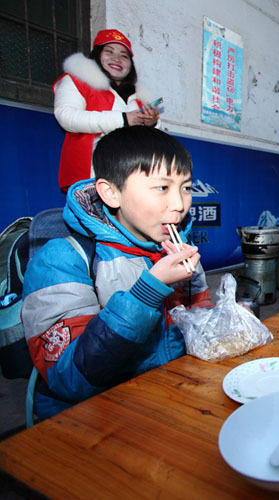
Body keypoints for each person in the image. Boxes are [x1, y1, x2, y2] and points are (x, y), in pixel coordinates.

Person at [22, 126, 209, 420]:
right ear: (111, 193)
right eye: (162, 188)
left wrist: (222, 322)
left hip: (165, 400)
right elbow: (69, 376)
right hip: (90, 419)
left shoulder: (177, 251)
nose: (179, 205)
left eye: (185, 187)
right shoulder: (62, 259)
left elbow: (200, 319)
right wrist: (149, 291)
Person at [53, 29, 159, 191]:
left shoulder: (139, 96)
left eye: (124, 55)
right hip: (91, 177)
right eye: (109, 51)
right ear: (96, 55)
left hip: (131, 179)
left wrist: (152, 124)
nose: (117, 58)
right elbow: (66, 117)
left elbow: (155, 141)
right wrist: (123, 119)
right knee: (93, 217)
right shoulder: (77, 80)